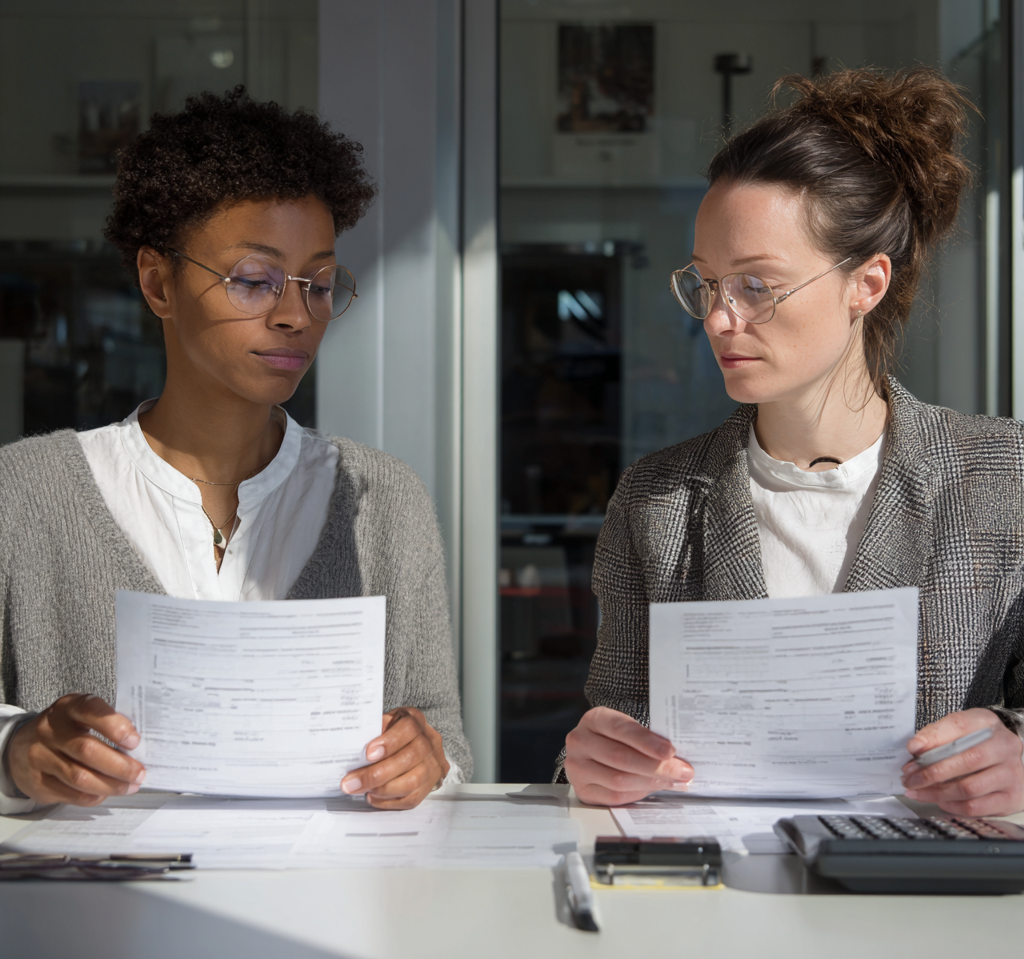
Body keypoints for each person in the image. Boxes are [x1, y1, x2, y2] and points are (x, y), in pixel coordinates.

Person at [562, 68, 1024, 817]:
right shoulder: (657, 499)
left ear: (866, 284)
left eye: (755, 286)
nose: (717, 318)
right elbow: (612, 735)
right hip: (722, 912)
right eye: (707, 284)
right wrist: (592, 762)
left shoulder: (1006, 477)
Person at [0, 87, 470, 814]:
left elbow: (445, 745)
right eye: (254, 280)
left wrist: (425, 762)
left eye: (318, 284)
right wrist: (17, 752)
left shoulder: (384, 499)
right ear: (158, 282)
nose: (295, 316)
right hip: (95, 920)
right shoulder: (25, 493)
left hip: (323, 917)